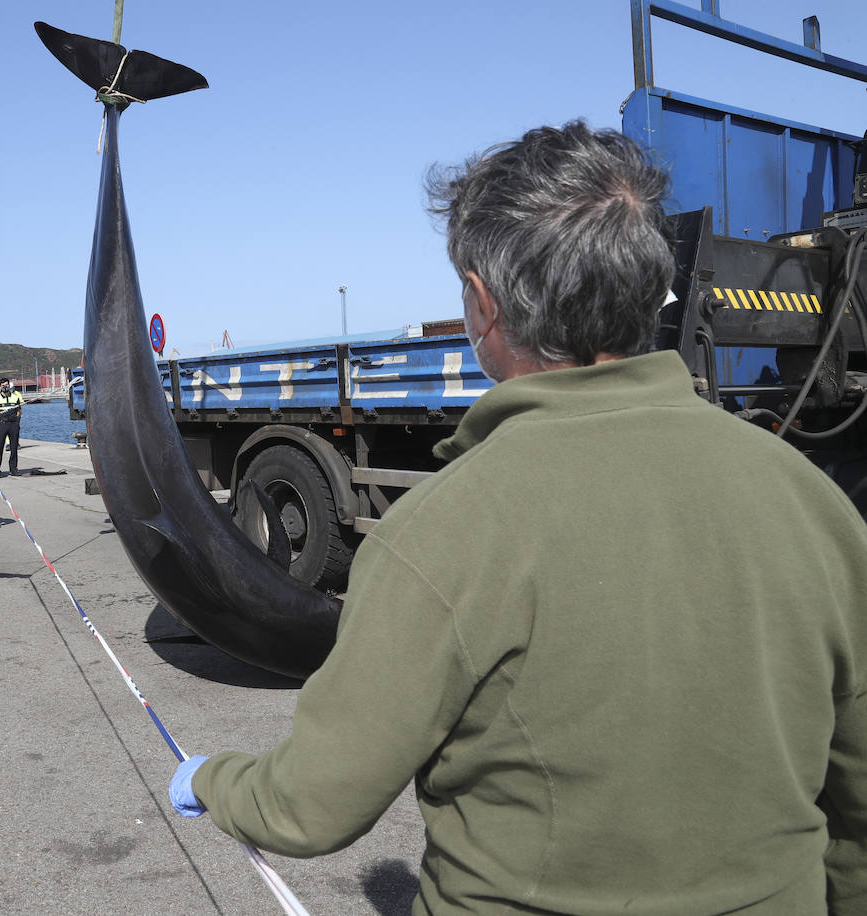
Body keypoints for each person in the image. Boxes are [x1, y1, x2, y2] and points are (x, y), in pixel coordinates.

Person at [169, 121, 867, 914]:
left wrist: (211, 781)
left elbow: (311, 805)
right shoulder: (814, 501)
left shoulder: (442, 530)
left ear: (482, 304)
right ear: (649, 286)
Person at [0, 377, 24, 477]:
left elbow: (19, 411)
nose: (5, 387)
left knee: (14, 448)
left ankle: (13, 469)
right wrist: (1, 421)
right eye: (3, 386)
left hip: (13, 424)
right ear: (0, 387)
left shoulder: (15, 397)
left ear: (10, 386)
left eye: (7, 385)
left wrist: (16, 420)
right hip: (2, 424)